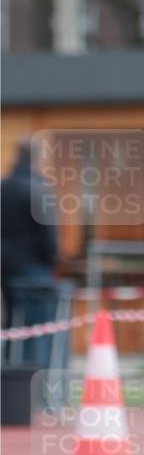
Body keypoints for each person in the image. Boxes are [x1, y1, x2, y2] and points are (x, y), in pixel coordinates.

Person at [1, 137, 58, 364]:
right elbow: (47, 233)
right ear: (36, 158)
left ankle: (9, 373)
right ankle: (32, 374)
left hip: (5, 265)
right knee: (36, 327)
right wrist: (52, 258)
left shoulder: (4, 187)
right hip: (33, 266)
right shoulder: (37, 189)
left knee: (12, 324)